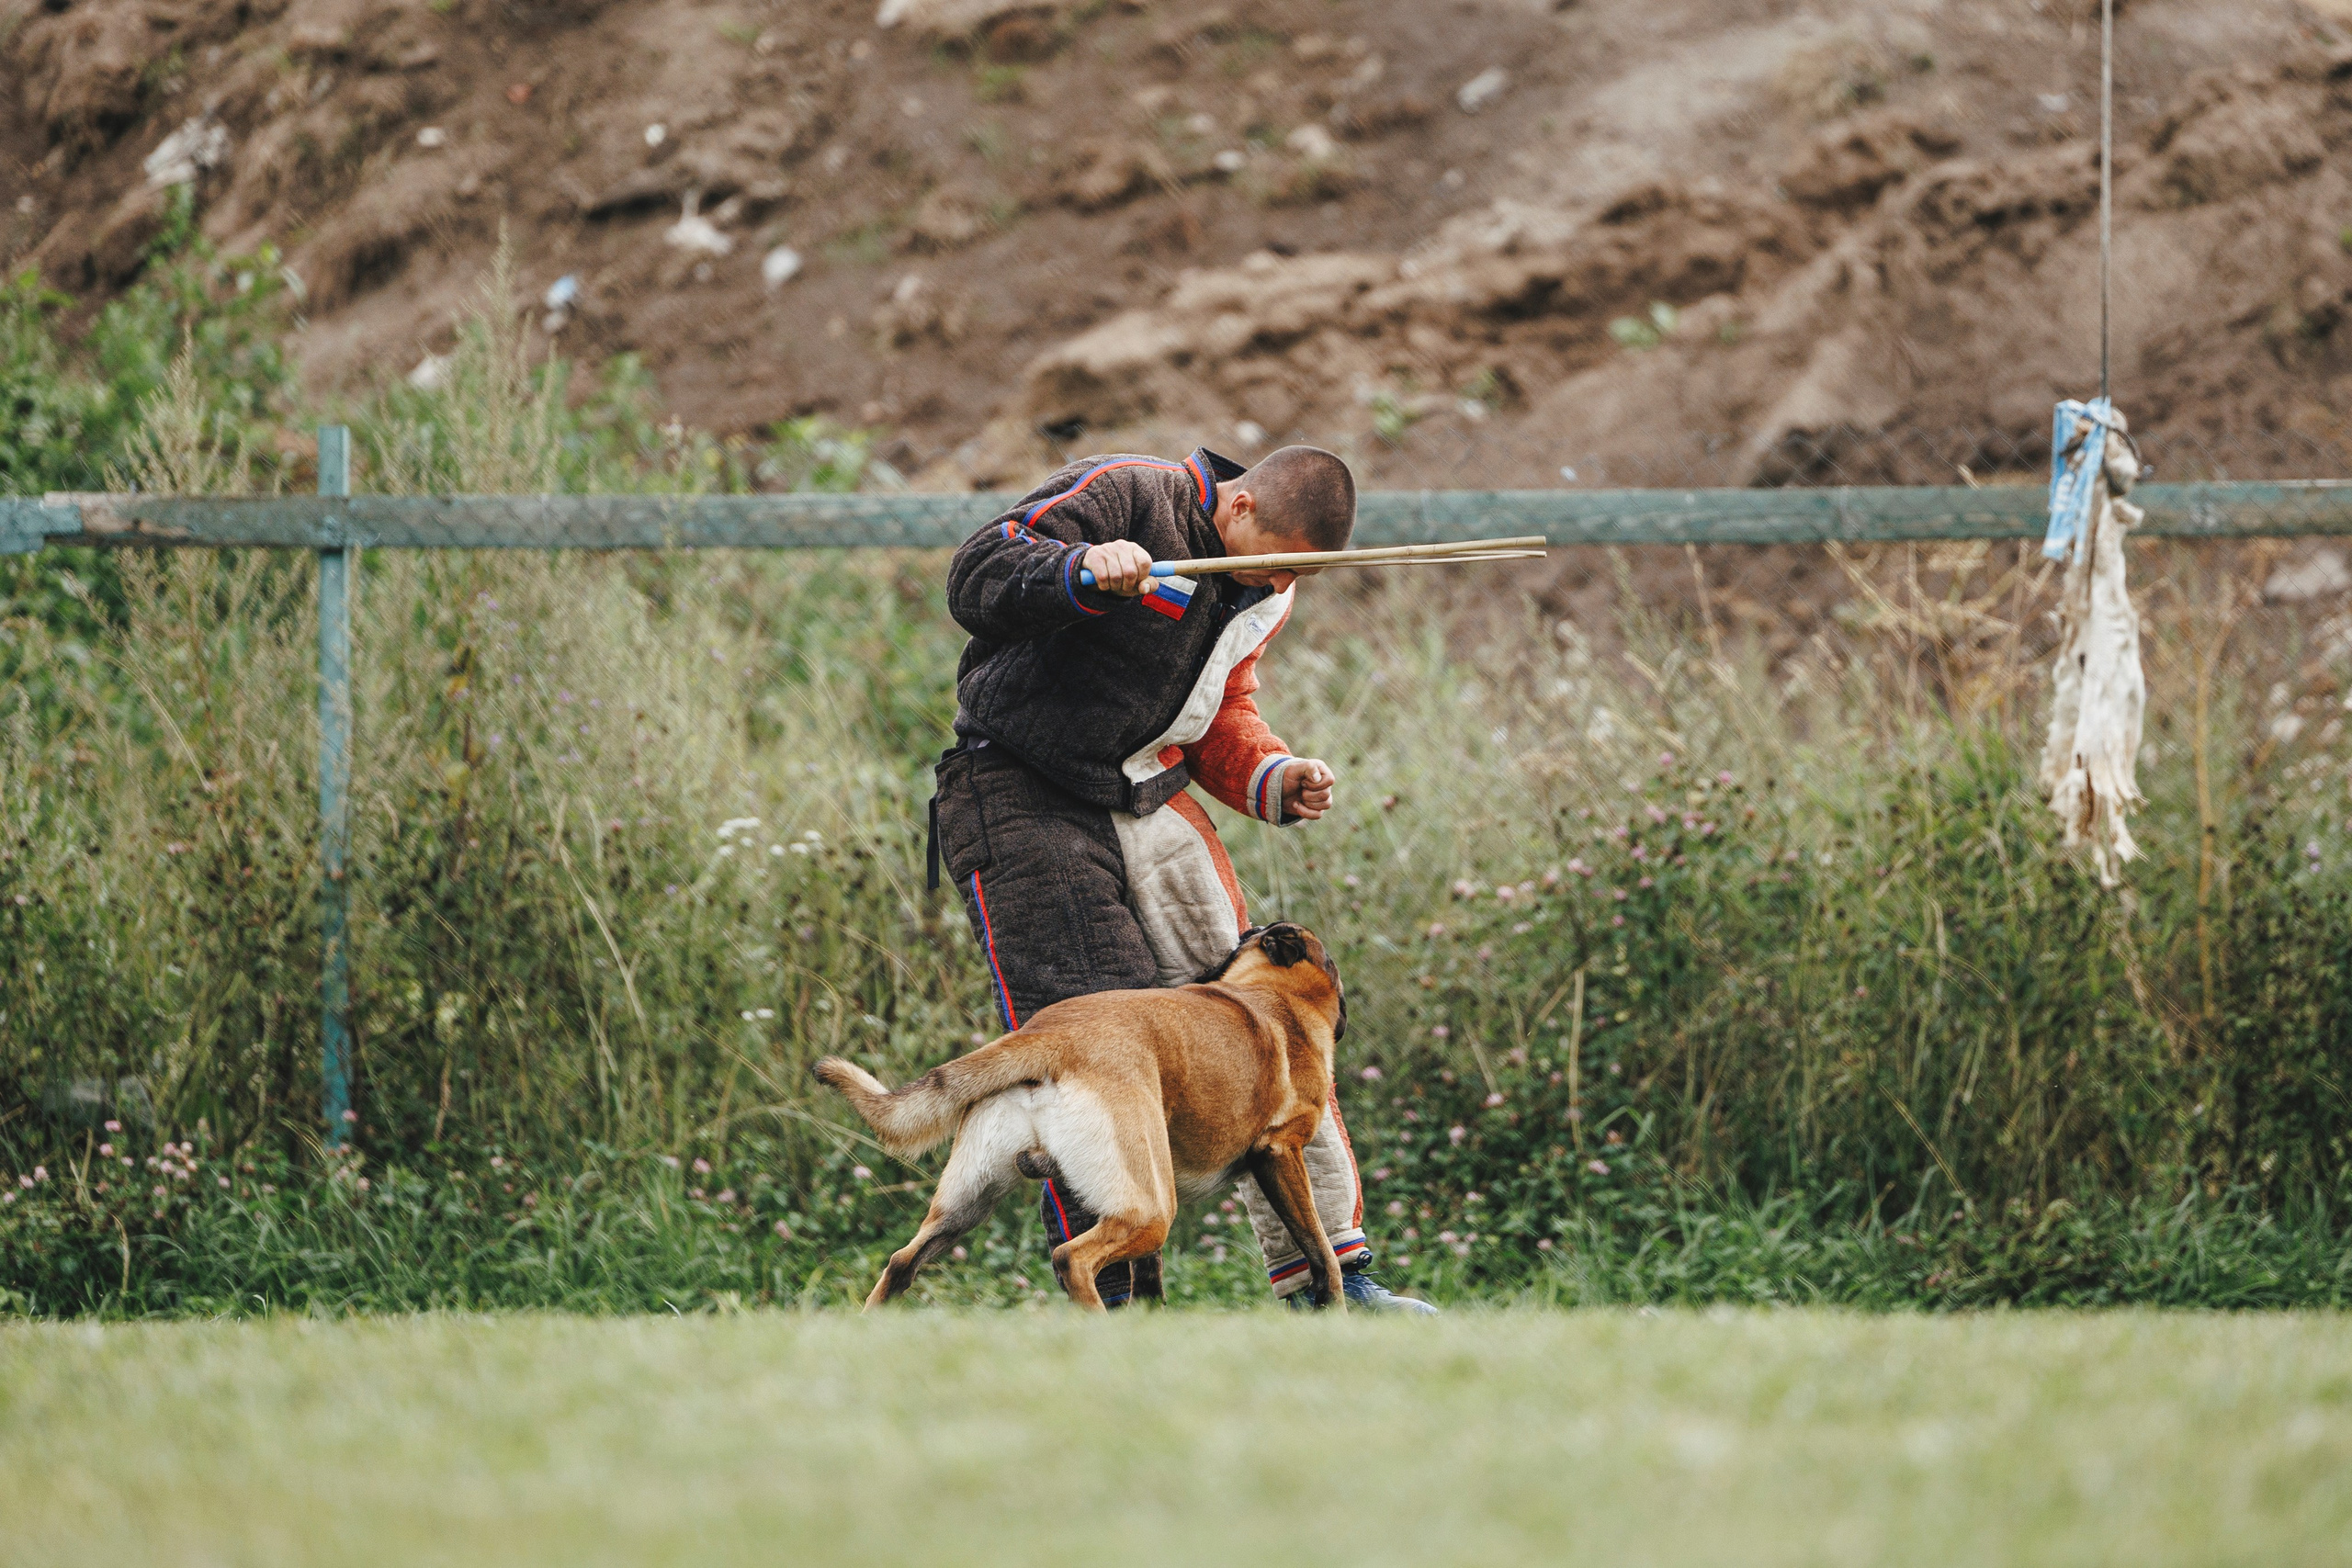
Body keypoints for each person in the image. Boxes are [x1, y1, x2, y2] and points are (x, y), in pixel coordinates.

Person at [931, 443, 1435, 1312]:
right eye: (1274, 566)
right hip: (1018, 792)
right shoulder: (1130, 493)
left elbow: (1221, 708)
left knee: (1273, 1023)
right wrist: (1080, 568)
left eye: (1291, 577)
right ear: (1238, 511)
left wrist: (1278, 774)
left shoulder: (1266, 584)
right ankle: (1115, 1294)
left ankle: (1332, 1279)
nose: (1278, 587)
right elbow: (979, 570)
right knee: (1100, 1047)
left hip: (1144, 792)